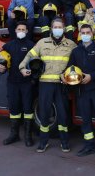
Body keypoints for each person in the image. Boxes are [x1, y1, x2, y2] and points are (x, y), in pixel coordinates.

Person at [19, 18, 77, 153]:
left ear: (63, 28)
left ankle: (64, 142)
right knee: (44, 114)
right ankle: (43, 142)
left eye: (60, 27)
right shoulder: (42, 42)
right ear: (51, 29)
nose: (57, 29)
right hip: (45, 85)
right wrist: (22, 67)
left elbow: (77, 61)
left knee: (63, 115)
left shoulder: (71, 44)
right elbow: (29, 55)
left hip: (62, 85)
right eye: (55, 27)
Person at [62, 24, 95, 159]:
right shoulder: (76, 51)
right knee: (85, 120)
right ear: (80, 34)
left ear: (92, 34)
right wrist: (64, 76)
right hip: (82, 90)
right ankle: (89, 145)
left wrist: (92, 76)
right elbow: (70, 68)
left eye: (88, 32)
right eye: (83, 32)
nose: (85, 34)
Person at [0, 22, 35, 147]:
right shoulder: (9, 46)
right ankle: (14, 134)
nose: (21, 31)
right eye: (19, 29)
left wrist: (33, 77)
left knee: (28, 109)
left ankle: (28, 136)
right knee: (14, 109)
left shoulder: (32, 46)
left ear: (27, 31)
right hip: (12, 83)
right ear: (16, 31)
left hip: (27, 83)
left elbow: (38, 63)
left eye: (23, 29)